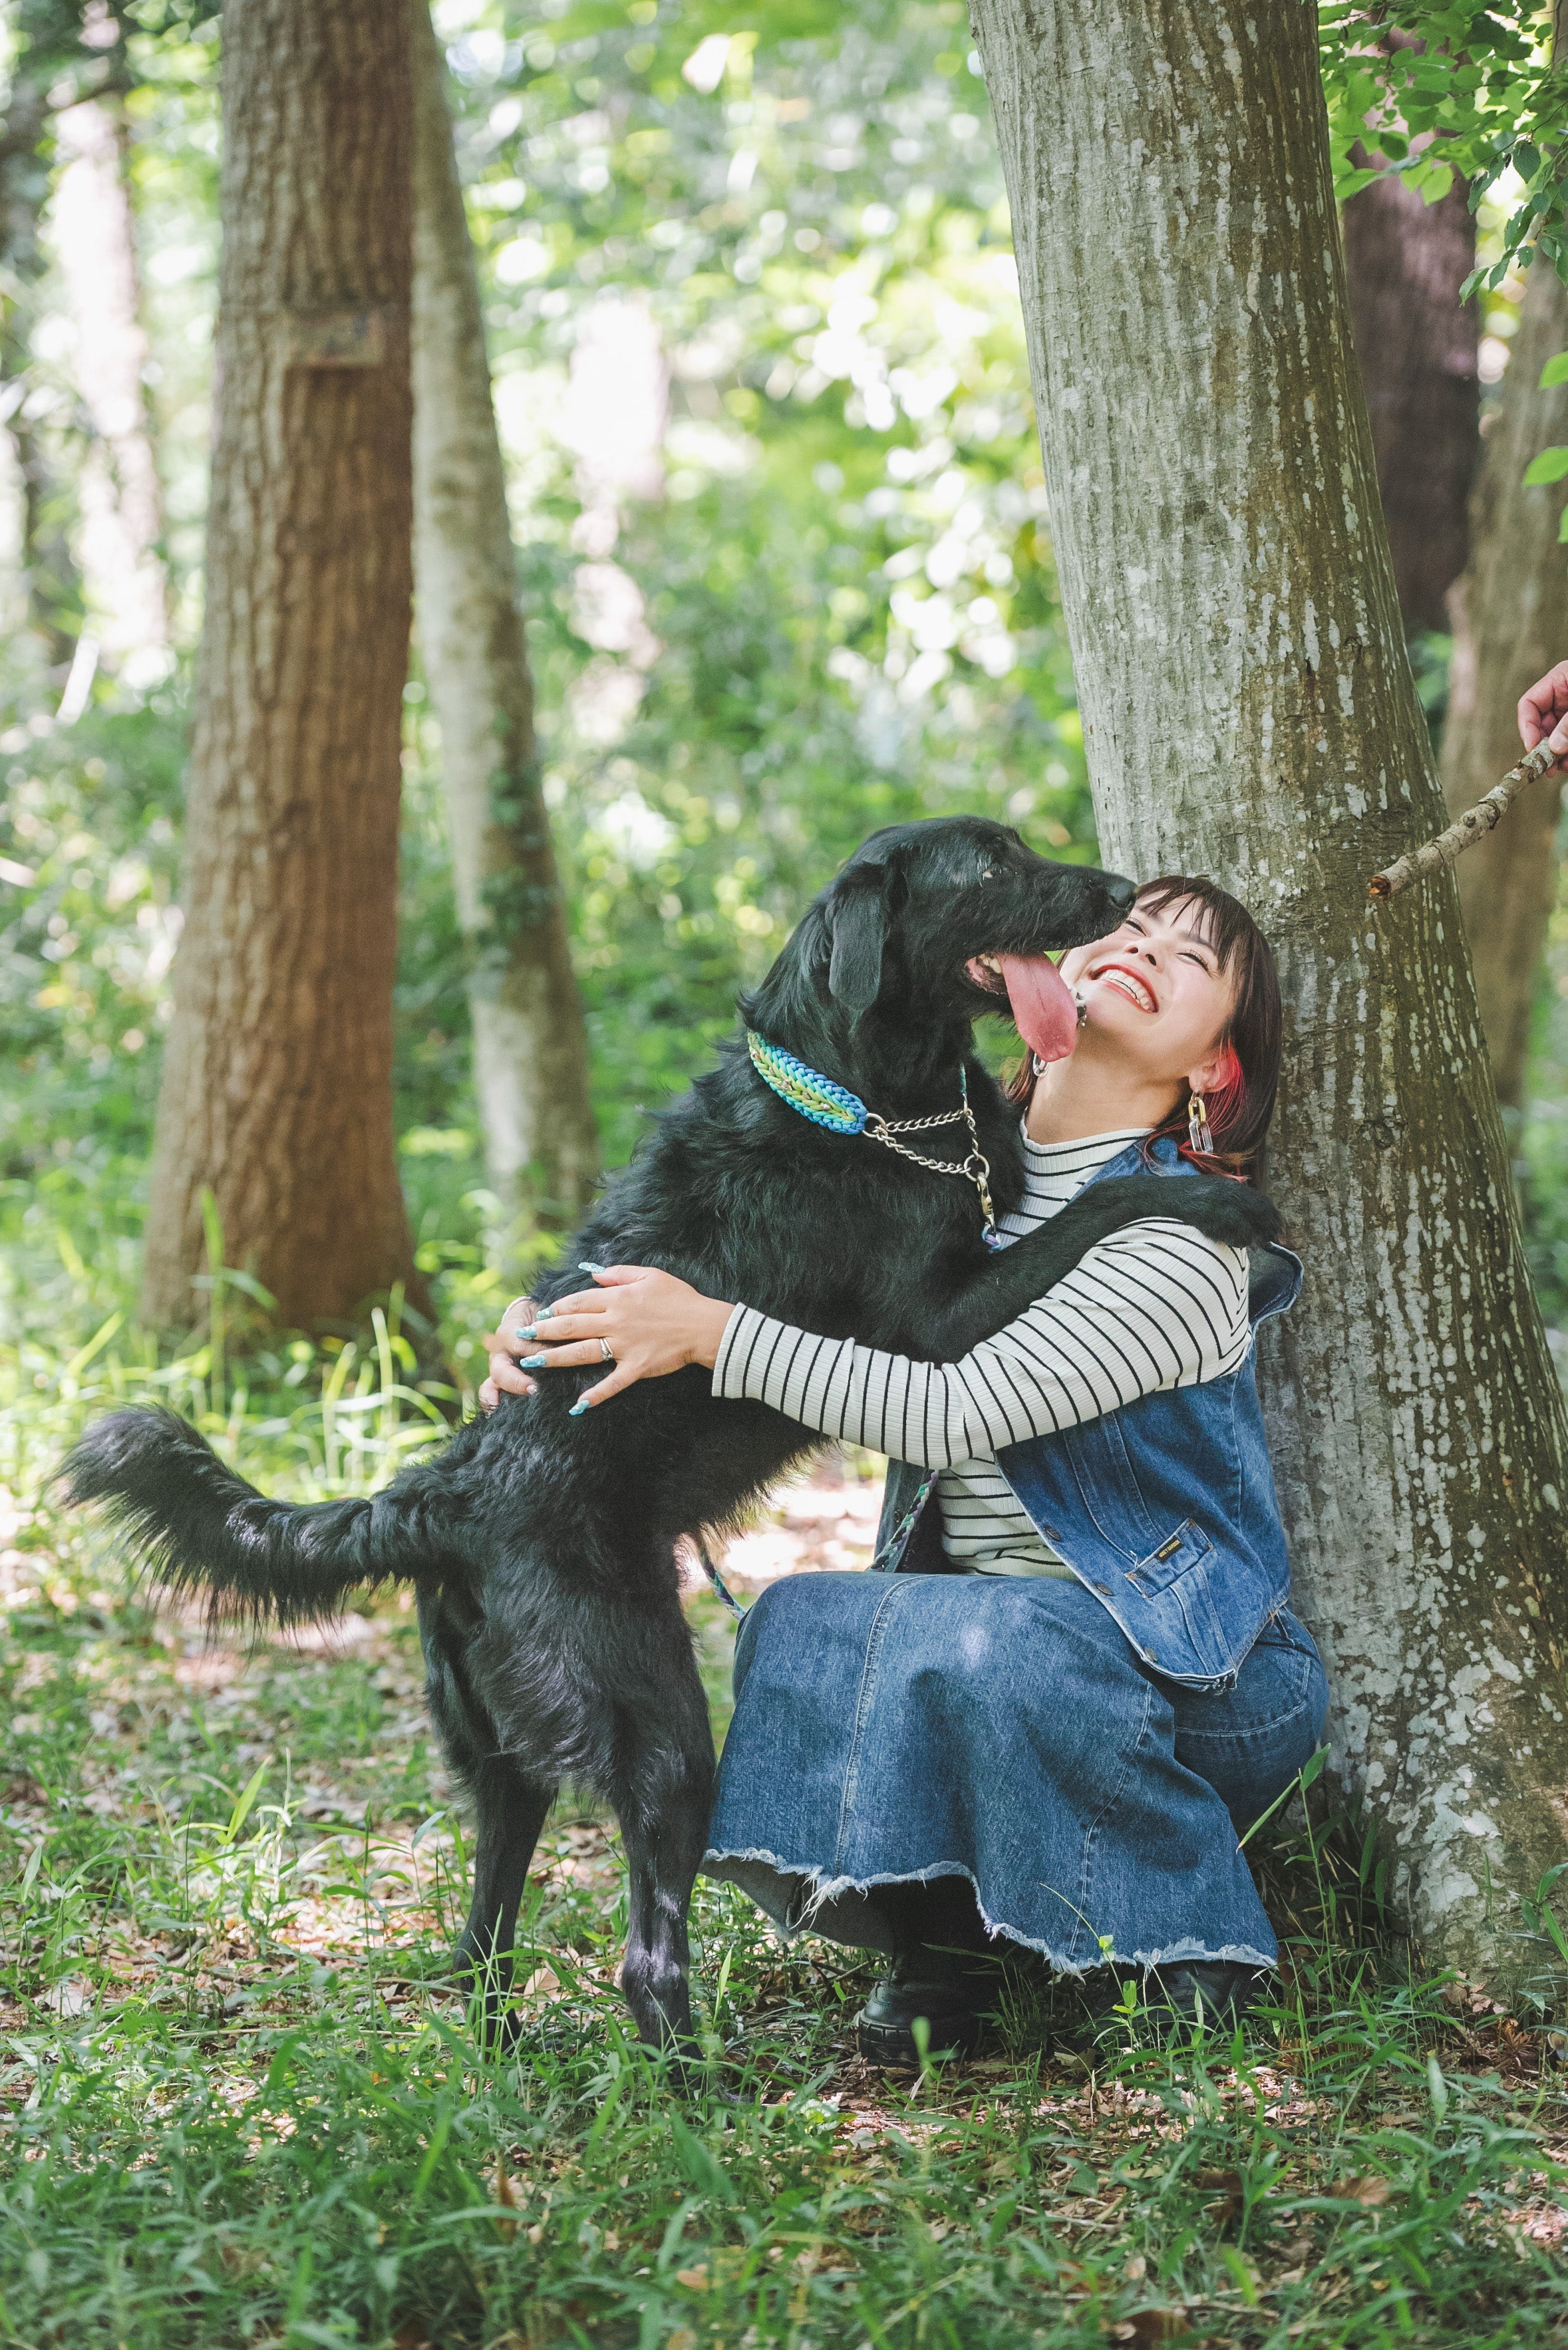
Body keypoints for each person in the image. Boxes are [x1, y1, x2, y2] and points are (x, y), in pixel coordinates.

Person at [481, 869, 1329, 2063]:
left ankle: (1190, 1949)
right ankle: (952, 1947)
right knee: (810, 1619)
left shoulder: (1183, 1237)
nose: (1140, 948)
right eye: (1129, 928)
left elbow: (951, 1410)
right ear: (1046, 976)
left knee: (994, 1643)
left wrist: (712, 1333)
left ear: (1212, 1069)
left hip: (1201, 1676)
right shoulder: (939, 1179)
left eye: (1191, 961)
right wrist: (558, 1341)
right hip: (995, 1640)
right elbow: (727, 1268)